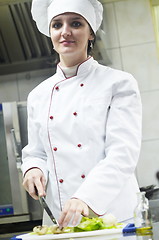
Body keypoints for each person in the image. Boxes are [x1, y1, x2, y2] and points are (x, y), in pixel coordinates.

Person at [22, 0, 142, 229]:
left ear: (90, 33)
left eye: (75, 23)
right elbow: (36, 152)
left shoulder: (118, 83)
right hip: (61, 220)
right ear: (50, 33)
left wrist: (86, 197)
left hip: (112, 216)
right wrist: (33, 168)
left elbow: (122, 153)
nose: (65, 31)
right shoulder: (38, 95)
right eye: (57, 25)